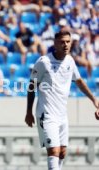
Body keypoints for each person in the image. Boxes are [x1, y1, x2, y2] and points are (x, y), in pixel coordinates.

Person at [25, 30, 99, 170]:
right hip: (46, 115)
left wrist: (94, 100)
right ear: (55, 44)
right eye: (62, 42)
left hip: (62, 115)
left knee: (62, 152)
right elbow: (31, 87)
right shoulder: (43, 62)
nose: (65, 44)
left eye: (68, 42)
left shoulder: (70, 61)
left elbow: (79, 81)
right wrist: (28, 111)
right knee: (54, 151)